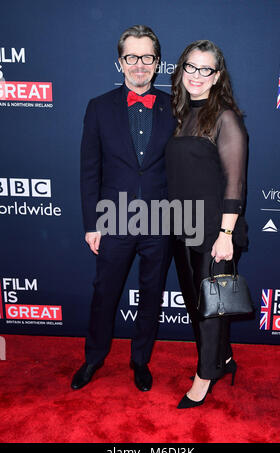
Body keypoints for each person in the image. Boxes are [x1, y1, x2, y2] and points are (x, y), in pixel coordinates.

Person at [71, 25, 176, 392]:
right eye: (132, 57)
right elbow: (90, 171)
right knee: (105, 293)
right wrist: (91, 224)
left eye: (147, 57)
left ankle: (140, 360)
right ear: (120, 63)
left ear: (158, 63)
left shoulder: (174, 106)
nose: (139, 65)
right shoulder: (98, 108)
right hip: (113, 219)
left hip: (160, 220)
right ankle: (94, 358)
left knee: (151, 294)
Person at [165, 40, 248, 409]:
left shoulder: (225, 117)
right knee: (198, 304)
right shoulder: (181, 114)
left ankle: (205, 376)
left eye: (206, 70)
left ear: (217, 76)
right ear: (181, 69)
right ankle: (224, 358)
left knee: (210, 308)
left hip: (216, 230)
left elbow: (235, 182)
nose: (197, 76)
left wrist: (226, 235)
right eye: (190, 67)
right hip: (182, 227)